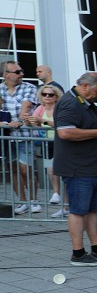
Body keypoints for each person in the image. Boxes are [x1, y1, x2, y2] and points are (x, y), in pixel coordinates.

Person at [53, 72, 97, 265]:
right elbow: (65, 132)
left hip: (91, 167)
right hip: (78, 168)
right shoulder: (70, 103)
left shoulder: (84, 103)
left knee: (92, 210)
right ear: (85, 86)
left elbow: (84, 127)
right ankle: (78, 254)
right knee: (78, 210)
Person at [2, 60, 39, 213]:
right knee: (13, 169)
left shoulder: (29, 87)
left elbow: (27, 107)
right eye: (17, 72)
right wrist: (6, 124)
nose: (21, 74)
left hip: (25, 134)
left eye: (21, 71)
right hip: (7, 136)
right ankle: (22, 201)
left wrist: (18, 121)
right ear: (6, 74)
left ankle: (34, 201)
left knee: (26, 169)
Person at [31, 83, 64, 213]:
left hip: (60, 140)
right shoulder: (40, 108)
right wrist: (30, 121)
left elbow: (59, 123)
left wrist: (43, 122)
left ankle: (64, 198)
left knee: (60, 168)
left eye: (50, 94)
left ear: (56, 96)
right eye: (44, 94)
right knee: (50, 169)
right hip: (46, 142)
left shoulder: (59, 108)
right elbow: (34, 122)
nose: (47, 97)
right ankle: (56, 193)